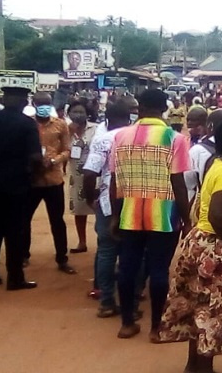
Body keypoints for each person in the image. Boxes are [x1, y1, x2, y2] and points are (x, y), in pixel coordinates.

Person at [159, 117, 222, 373]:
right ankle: (203, 368)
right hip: (218, 249)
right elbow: (218, 216)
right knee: (213, 310)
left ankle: (195, 365)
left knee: (201, 308)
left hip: (208, 244)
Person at [109, 89, 191, 341]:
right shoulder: (174, 138)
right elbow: (178, 182)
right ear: (165, 108)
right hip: (163, 216)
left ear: (139, 108)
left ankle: (127, 323)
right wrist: (187, 220)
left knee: (127, 268)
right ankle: (156, 328)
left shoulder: (120, 136)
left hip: (129, 213)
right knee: (158, 270)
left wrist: (114, 216)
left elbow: (114, 180)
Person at [0, 86, 42, 291]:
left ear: (3, 99)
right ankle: (15, 277)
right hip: (17, 183)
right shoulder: (27, 124)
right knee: (15, 231)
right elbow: (35, 157)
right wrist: (34, 176)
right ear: (24, 101)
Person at [83, 100, 131, 317]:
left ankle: (106, 301)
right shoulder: (137, 139)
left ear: (108, 120)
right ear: (130, 119)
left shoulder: (102, 139)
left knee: (106, 251)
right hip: (134, 202)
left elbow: (90, 172)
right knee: (133, 252)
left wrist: (90, 196)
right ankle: (132, 300)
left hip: (106, 202)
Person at [22, 92, 74, 274]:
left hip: (53, 179)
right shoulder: (26, 123)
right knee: (24, 218)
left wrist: (53, 161)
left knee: (57, 220)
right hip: (32, 179)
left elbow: (67, 149)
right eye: (40, 103)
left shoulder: (60, 125)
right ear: (34, 104)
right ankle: (23, 255)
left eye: (46, 103)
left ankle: (62, 258)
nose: (43, 106)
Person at [67, 101, 98, 253]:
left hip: (94, 173)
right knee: (79, 211)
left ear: (87, 114)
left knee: (99, 207)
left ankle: (102, 240)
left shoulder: (96, 129)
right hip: (76, 175)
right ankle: (82, 242)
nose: (78, 114)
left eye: (81, 111)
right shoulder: (65, 130)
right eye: (74, 111)